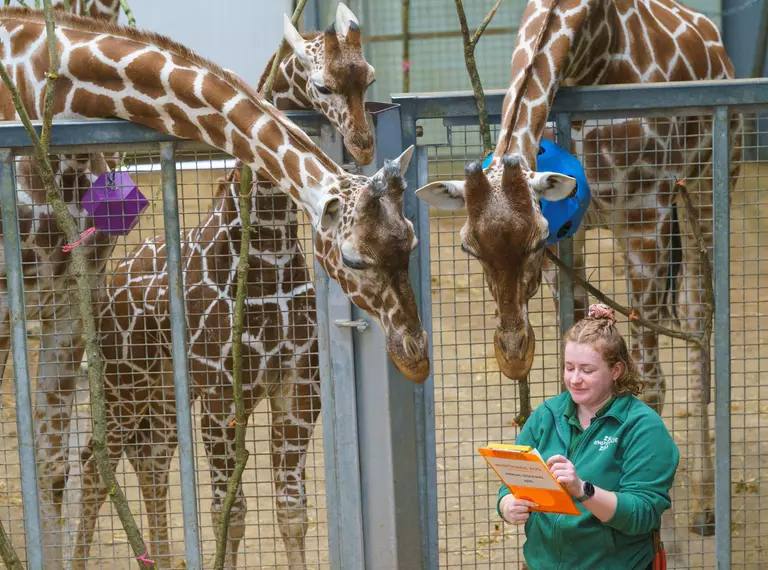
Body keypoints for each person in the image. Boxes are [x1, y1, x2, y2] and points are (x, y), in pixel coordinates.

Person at [497, 303, 679, 570]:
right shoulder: (546, 415)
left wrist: (583, 490)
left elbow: (642, 514)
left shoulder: (643, 427)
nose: (574, 379)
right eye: (569, 367)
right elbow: (511, 482)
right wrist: (507, 505)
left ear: (616, 371)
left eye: (587, 370)